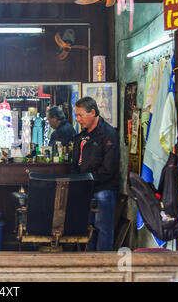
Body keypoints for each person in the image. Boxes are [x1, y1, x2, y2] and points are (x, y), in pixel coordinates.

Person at [72, 96, 120, 251]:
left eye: (80, 115)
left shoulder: (108, 133)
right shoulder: (82, 136)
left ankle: (103, 264)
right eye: (76, 115)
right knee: (88, 227)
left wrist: (88, 180)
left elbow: (109, 168)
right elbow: (75, 164)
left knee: (103, 228)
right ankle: (90, 261)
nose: (78, 119)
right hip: (85, 188)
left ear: (92, 112)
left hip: (103, 188)